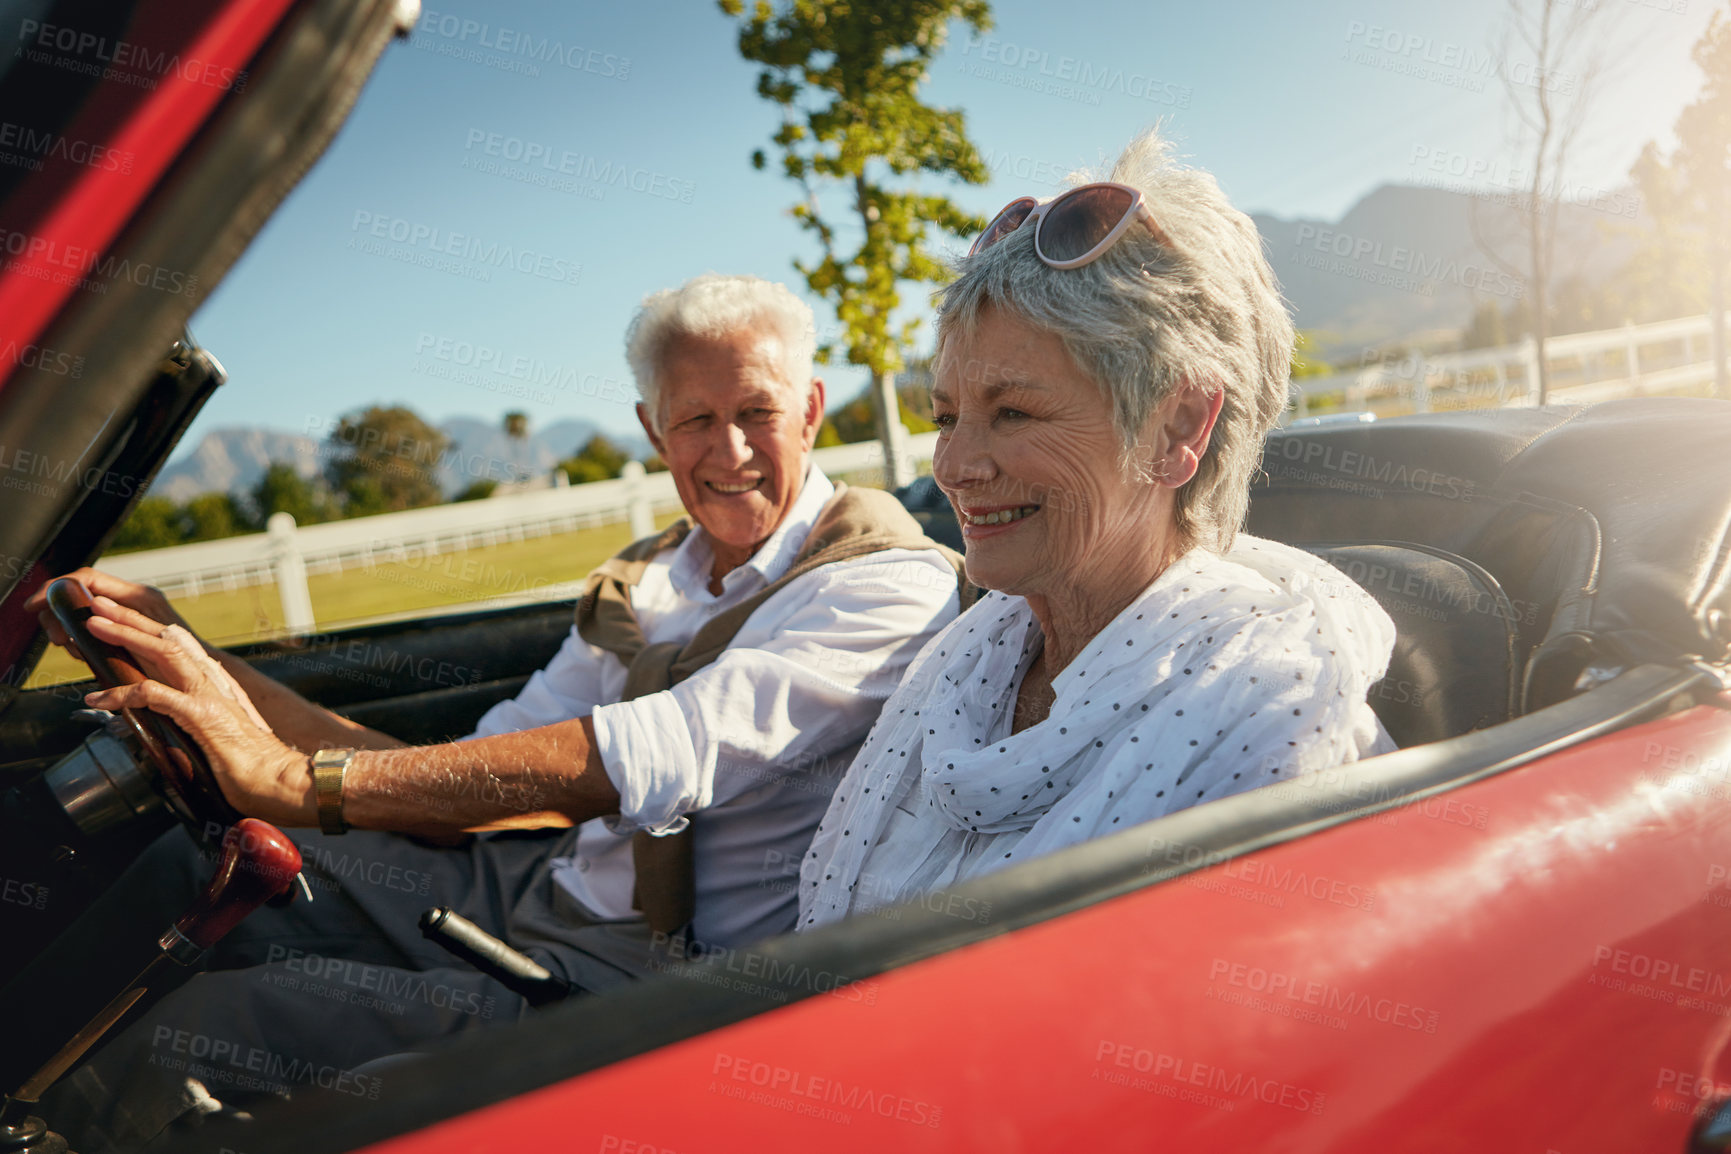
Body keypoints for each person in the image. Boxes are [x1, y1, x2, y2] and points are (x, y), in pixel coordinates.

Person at [10, 274, 962, 1147]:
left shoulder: (881, 582)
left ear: (811, 407)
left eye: (758, 410)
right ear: (651, 427)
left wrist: (296, 780)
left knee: (192, 1035)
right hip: (529, 881)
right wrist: (208, 668)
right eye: (696, 419)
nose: (731, 450)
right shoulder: (655, 580)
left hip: (651, 975)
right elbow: (494, 770)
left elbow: (665, 749)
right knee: (189, 855)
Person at [796, 131, 1398, 929]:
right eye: (946, 417)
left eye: (1012, 413)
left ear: (1176, 427)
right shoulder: (962, 664)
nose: (954, 466)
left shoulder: (1270, 715)